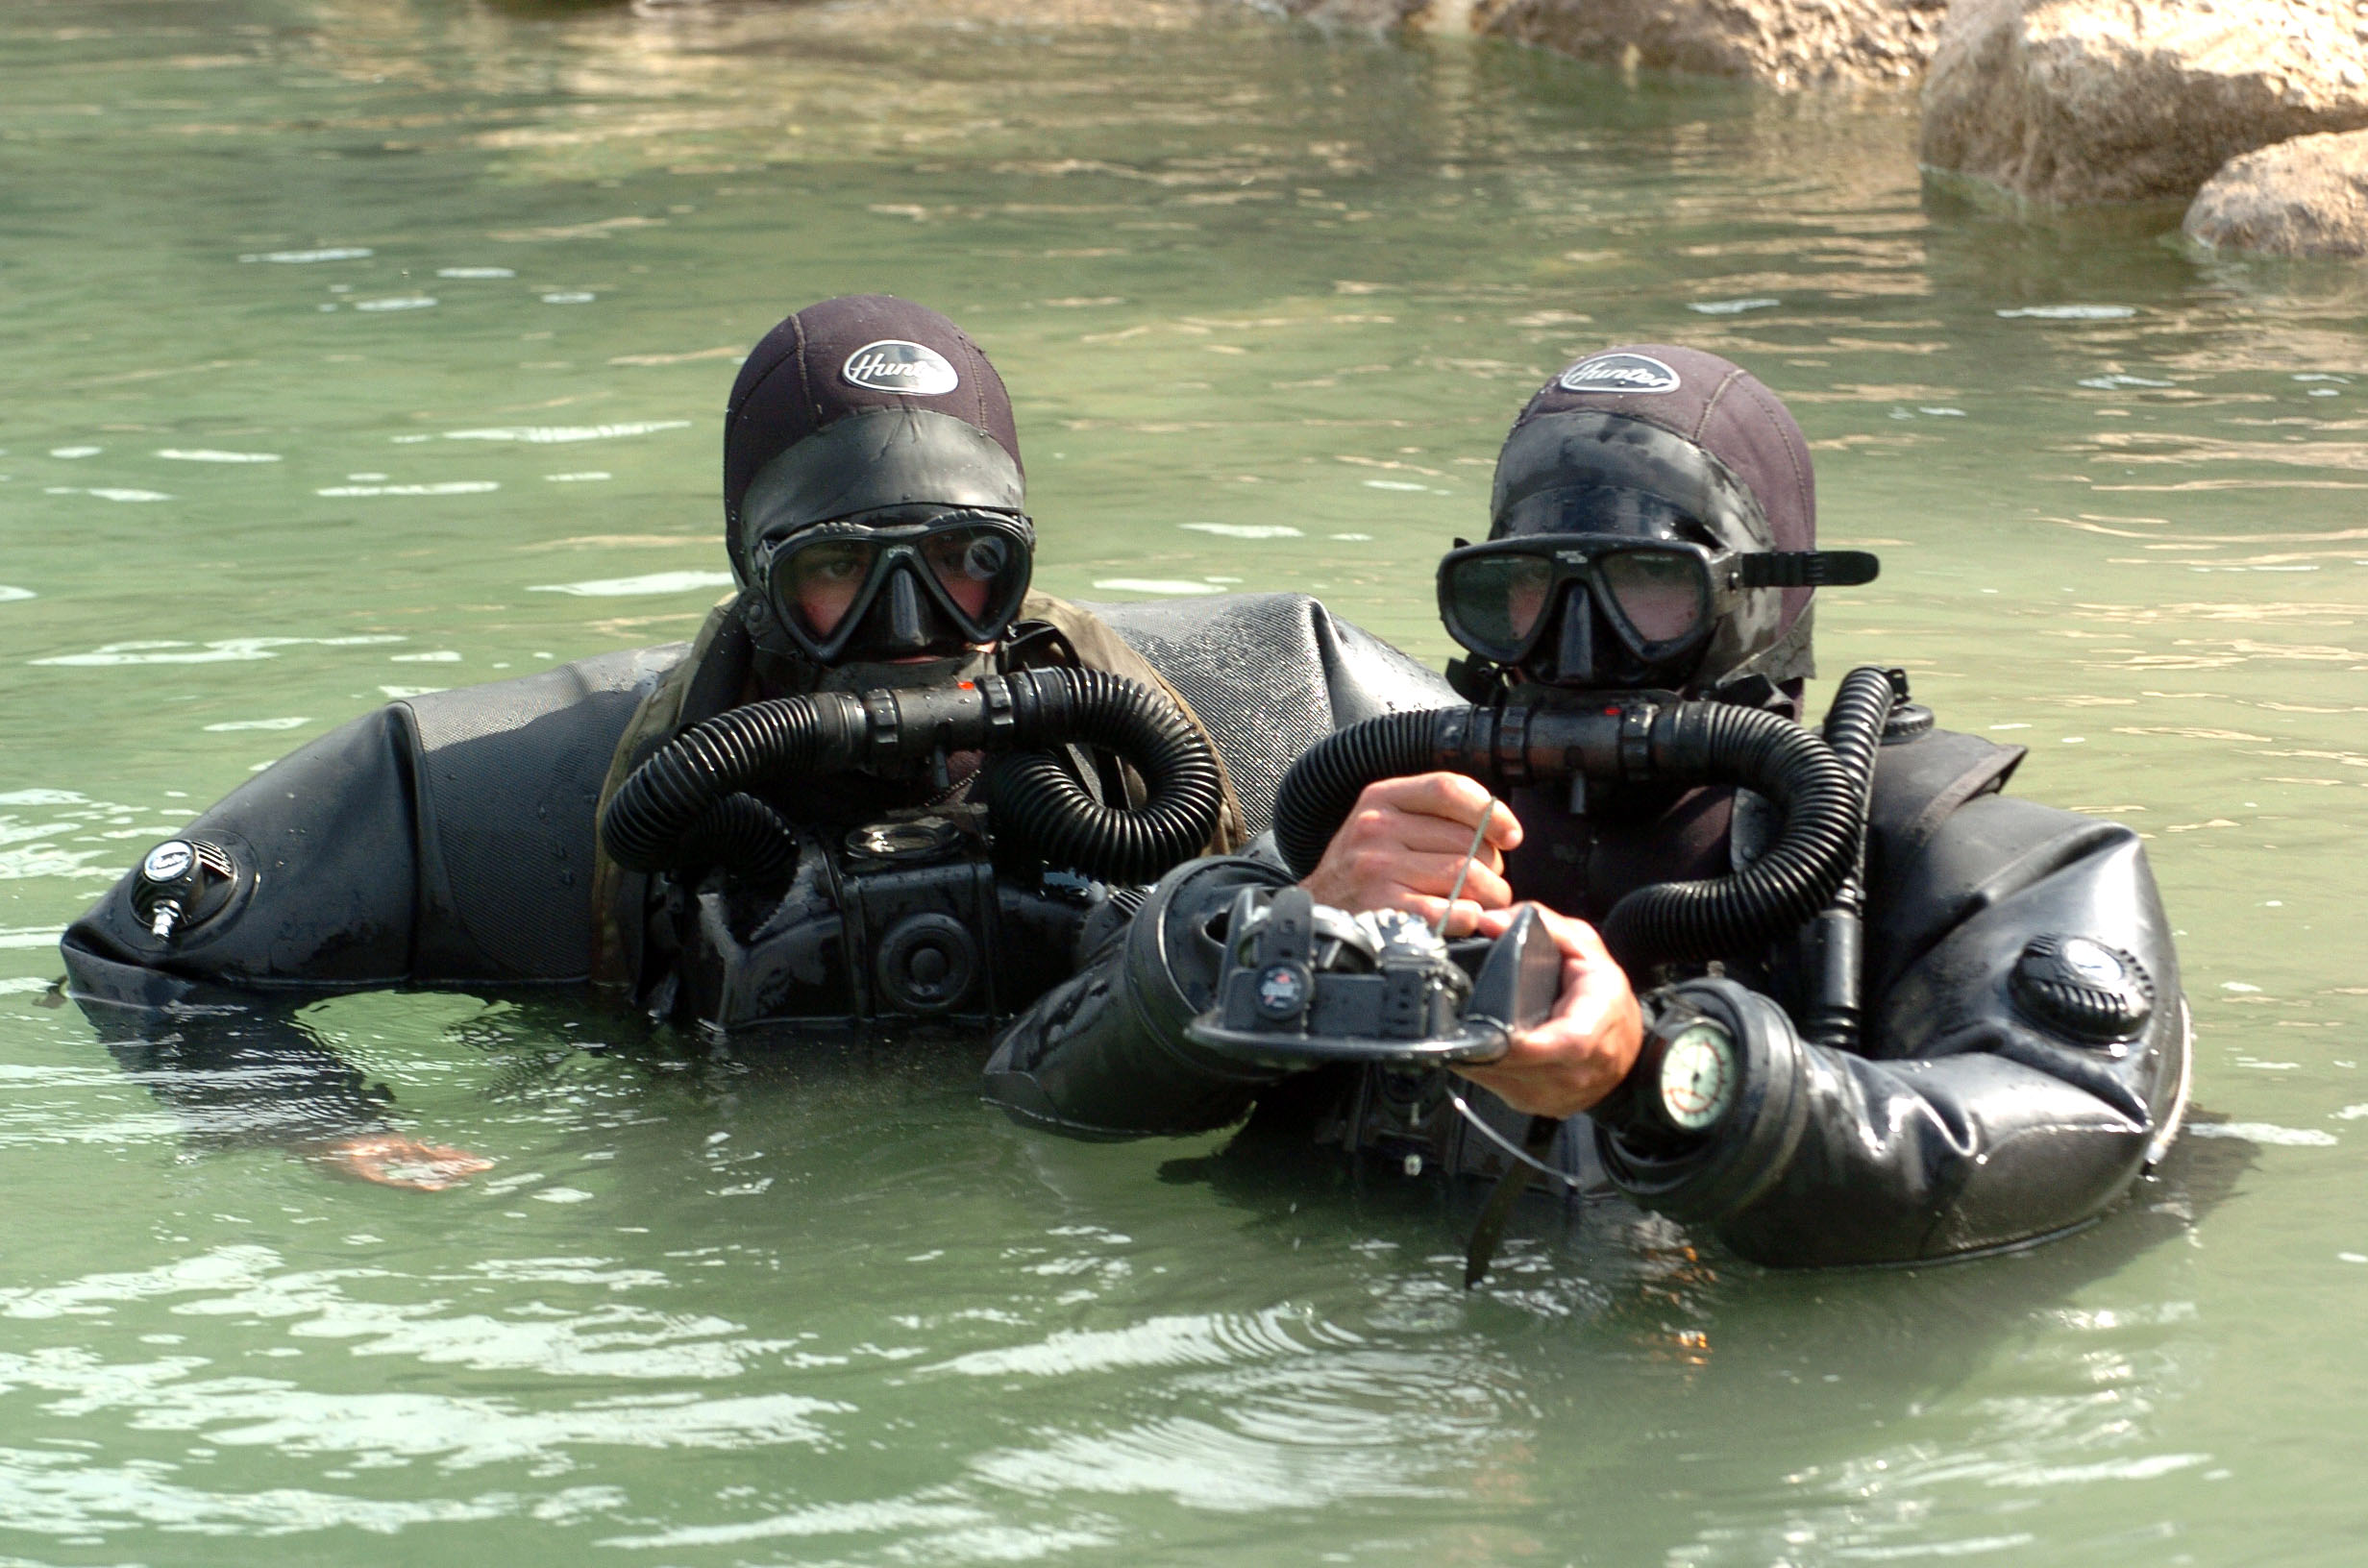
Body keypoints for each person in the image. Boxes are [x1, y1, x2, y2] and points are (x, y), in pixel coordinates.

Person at [982, 345, 2191, 1269]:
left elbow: (2070, 1134)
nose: (1571, 643)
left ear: (1764, 601)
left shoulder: (1958, 856)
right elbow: (1041, 1093)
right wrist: (1275, 930)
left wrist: (1658, 1077)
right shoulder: (1401, 830)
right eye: (1517, 593)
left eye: (1647, 592)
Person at [60, 295, 1451, 1041]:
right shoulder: (522, 802)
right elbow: (141, 959)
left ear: (1023, 560)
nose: (914, 619)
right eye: (839, 574)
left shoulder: (1249, 720)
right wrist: (337, 1136)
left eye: (970, 562)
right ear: (754, 575)